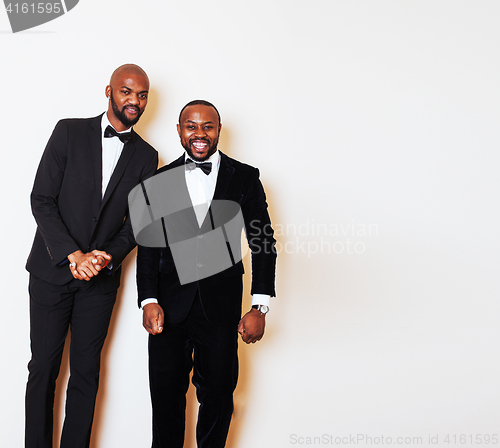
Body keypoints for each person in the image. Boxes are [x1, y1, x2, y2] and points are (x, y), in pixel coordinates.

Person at [25, 64, 158, 448]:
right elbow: (42, 199)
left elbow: (138, 224)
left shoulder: (148, 157)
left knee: (86, 372)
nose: (134, 100)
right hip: (52, 273)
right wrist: (73, 254)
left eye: (142, 94)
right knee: (44, 368)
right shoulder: (68, 131)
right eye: (127, 91)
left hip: (99, 283)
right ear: (109, 91)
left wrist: (105, 257)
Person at [135, 100, 277, 448]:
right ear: (180, 131)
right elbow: (149, 247)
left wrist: (259, 307)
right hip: (169, 308)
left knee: (217, 398)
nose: (200, 133)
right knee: (165, 398)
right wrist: (148, 299)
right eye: (191, 126)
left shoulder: (244, 177)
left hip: (221, 308)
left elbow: (262, 240)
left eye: (207, 126)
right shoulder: (158, 180)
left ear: (218, 130)